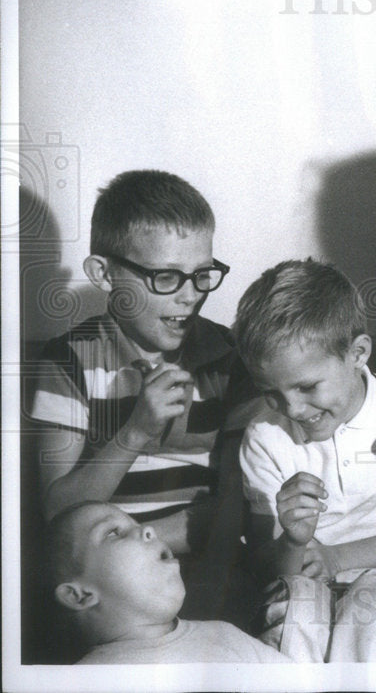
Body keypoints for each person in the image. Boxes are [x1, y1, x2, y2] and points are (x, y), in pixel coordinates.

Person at [31, 170, 257, 557]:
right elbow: (57, 511)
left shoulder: (229, 357)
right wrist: (135, 432)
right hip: (107, 576)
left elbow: (241, 507)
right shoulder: (68, 360)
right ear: (104, 274)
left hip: (197, 557)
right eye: (166, 276)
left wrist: (133, 545)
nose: (190, 296)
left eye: (201, 275)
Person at [233, 259, 376, 662]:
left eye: (307, 386)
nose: (291, 408)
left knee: (374, 614)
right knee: (297, 613)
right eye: (271, 393)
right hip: (300, 583)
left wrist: (338, 558)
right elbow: (268, 567)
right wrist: (293, 540)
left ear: (358, 353)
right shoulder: (264, 436)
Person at [43, 501, 289, 664]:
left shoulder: (224, 634)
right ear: (79, 595)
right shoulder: (83, 681)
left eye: (137, 524)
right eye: (113, 532)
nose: (149, 529)